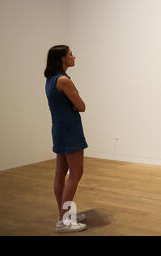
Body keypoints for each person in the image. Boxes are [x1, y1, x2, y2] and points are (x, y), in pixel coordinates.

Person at [44, 45, 88, 233]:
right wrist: (75, 105)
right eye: (70, 54)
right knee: (76, 173)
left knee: (60, 173)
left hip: (59, 129)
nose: (74, 56)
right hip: (70, 130)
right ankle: (63, 220)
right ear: (62, 59)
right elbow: (81, 106)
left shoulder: (51, 80)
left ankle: (64, 214)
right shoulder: (64, 81)